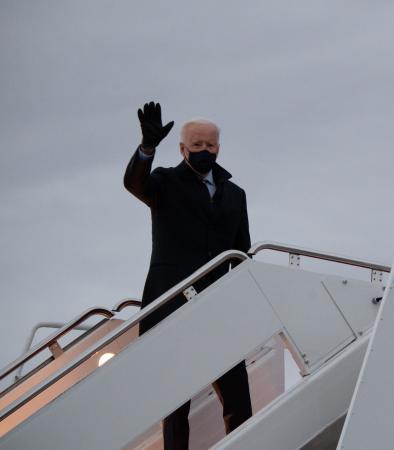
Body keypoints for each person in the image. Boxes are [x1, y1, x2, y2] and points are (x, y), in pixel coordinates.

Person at [124, 101, 253, 450]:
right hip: (172, 303)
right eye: (196, 146)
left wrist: (244, 304)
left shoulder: (236, 194)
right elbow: (134, 183)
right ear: (182, 148)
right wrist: (147, 148)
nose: (204, 151)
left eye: (210, 146)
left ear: (219, 148)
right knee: (176, 400)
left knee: (237, 396)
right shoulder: (164, 183)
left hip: (217, 306)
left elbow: (243, 252)